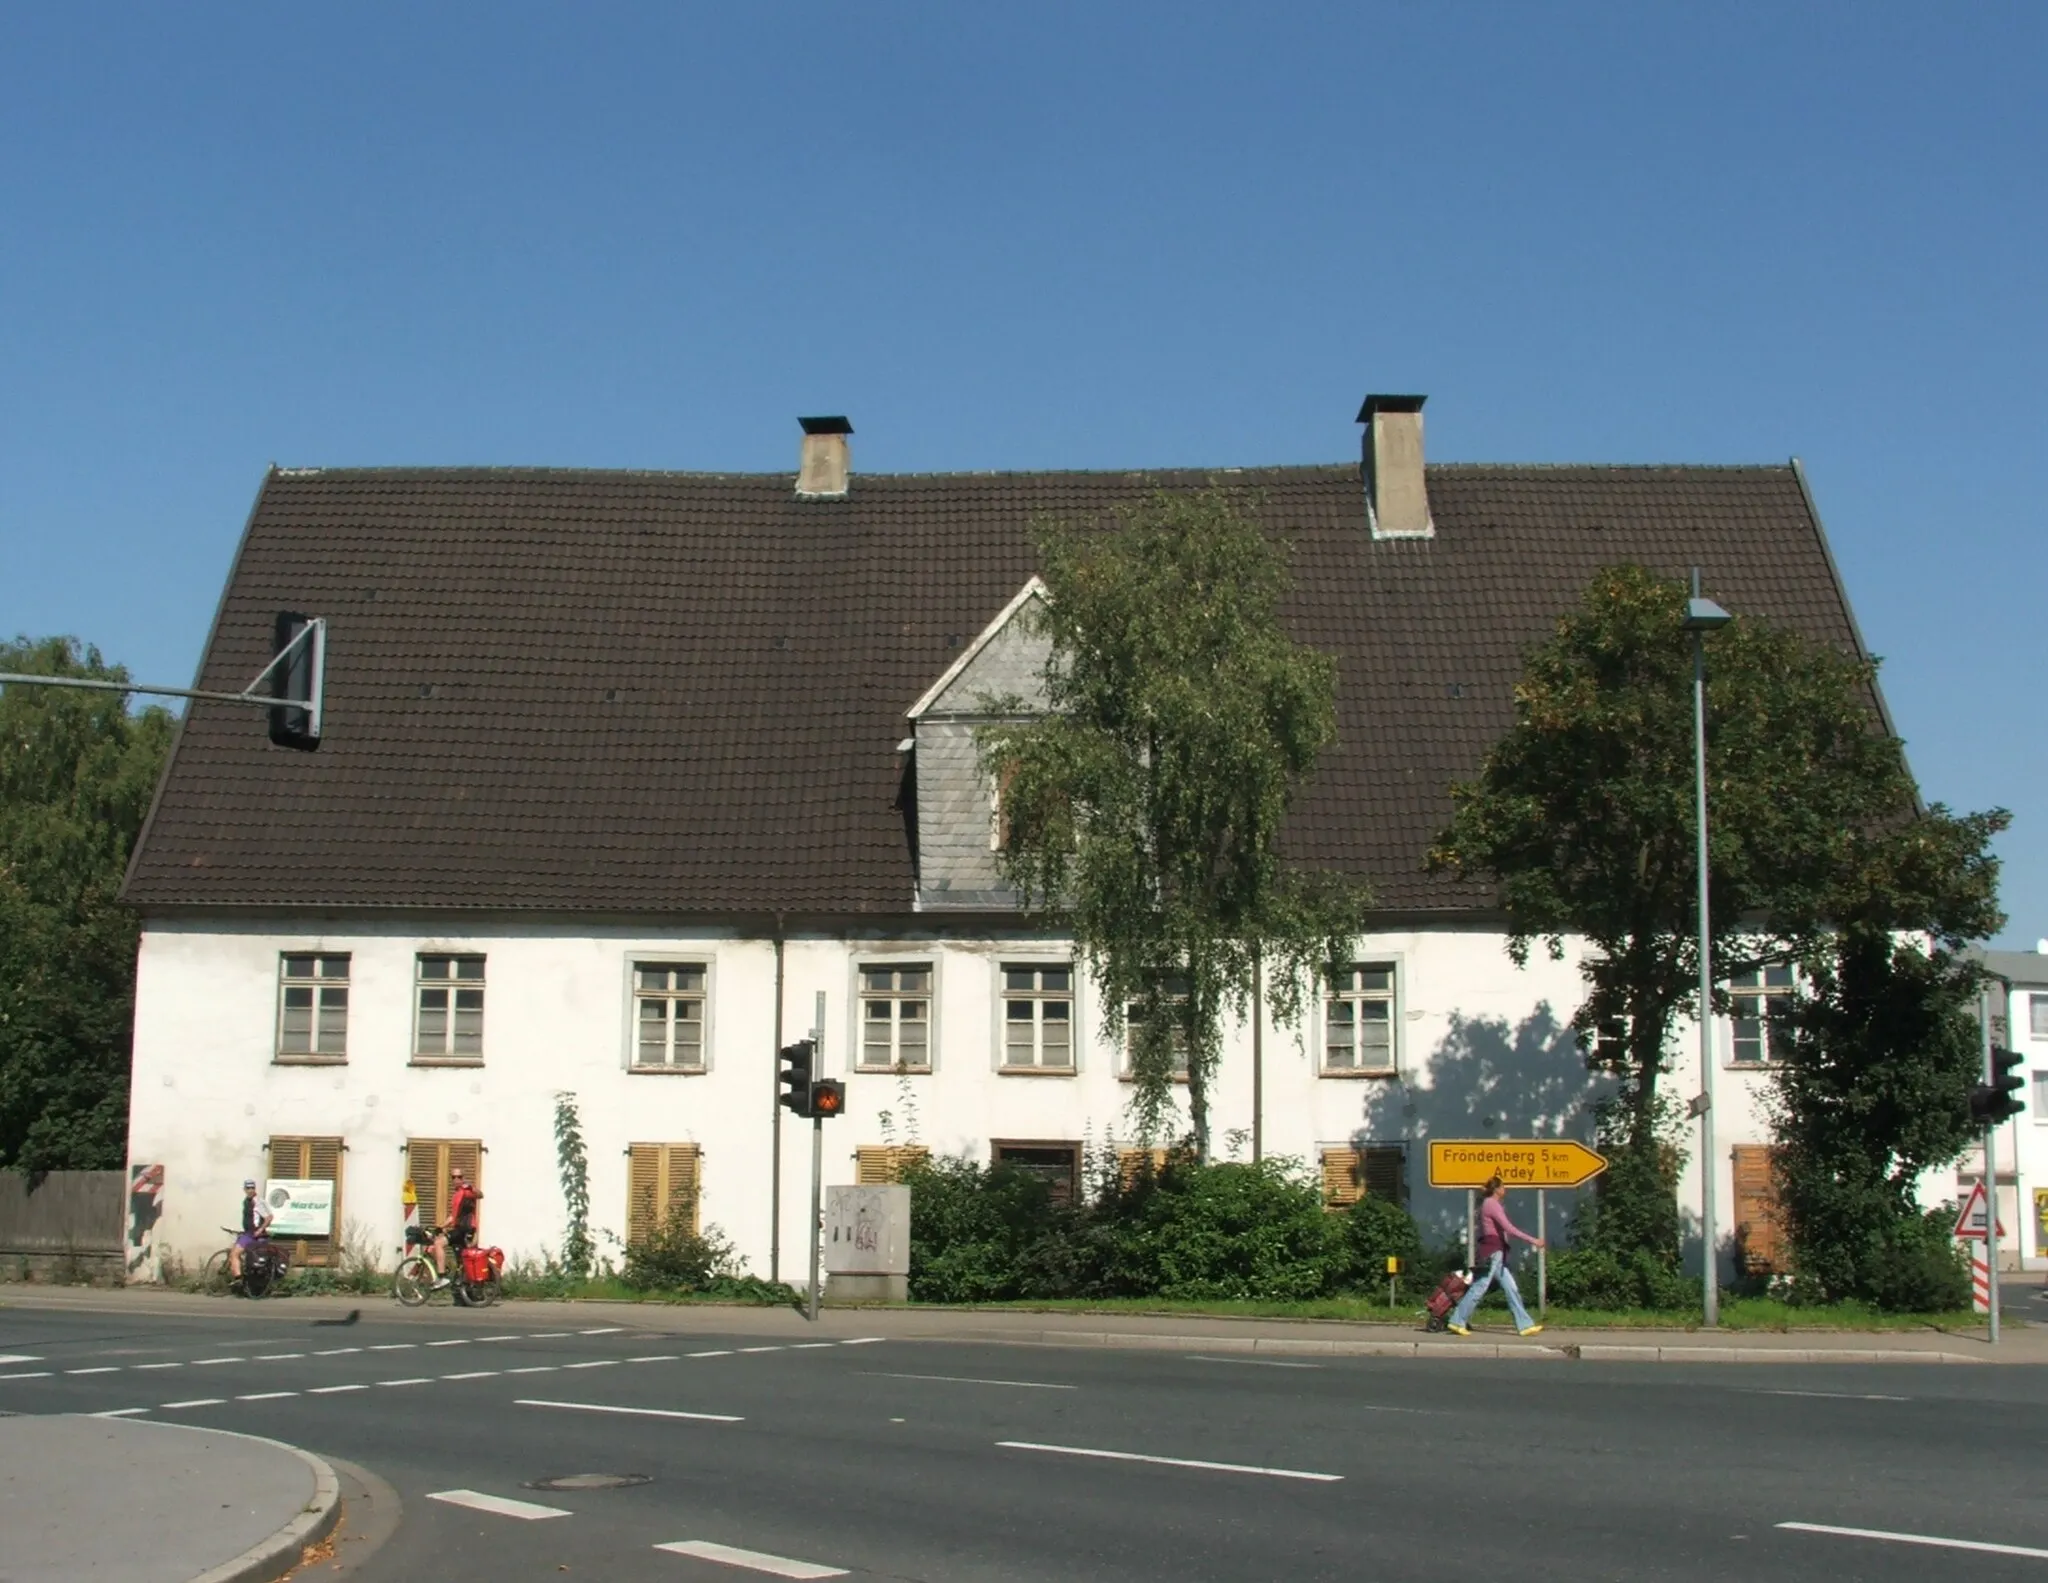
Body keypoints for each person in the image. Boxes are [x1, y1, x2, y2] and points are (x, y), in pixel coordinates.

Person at [1447, 1175, 1545, 1337]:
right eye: (1503, 1187)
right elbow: (1508, 1227)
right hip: (1493, 1251)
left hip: (1497, 1251)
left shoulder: (1491, 1204)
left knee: (1511, 1288)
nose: (1505, 1189)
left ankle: (1525, 1325)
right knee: (1480, 1286)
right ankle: (1457, 1321)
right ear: (1497, 1189)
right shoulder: (1491, 1204)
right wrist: (1533, 1240)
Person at [431, 1167, 482, 1288]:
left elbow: (480, 1195)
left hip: (465, 1229)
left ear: (463, 1178)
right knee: (460, 1260)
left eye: (459, 1177)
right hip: (459, 1228)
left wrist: (471, 1187)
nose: (456, 1179)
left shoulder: (466, 1191)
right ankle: (463, 1289)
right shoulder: (456, 1195)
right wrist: (441, 1226)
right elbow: (453, 1217)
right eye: (453, 1177)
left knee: (438, 1244)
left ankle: (442, 1277)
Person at [227, 1179, 272, 1282]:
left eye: (252, 1188)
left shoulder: (257, 1201)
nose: (250, 1190)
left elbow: (269, 1217)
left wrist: (260, 1230)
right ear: (244, 1189)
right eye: (248, 1188)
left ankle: (238, 1279)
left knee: (234, 1254)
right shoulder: (248, 1201)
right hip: (250, 1233)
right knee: (246, 1257)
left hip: (253, 1235)